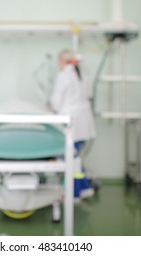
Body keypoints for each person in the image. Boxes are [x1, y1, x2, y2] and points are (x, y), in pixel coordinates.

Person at [49, 49, 96, 200]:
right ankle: (85, 188)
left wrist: (52, 108)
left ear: (62, 62)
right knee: (75, 156)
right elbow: (88, 96)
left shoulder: (63, 75)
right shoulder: (83, 74)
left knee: (71, 158)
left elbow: (57, 98)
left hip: (72, 121)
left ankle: (75, 193)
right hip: (84, 120)